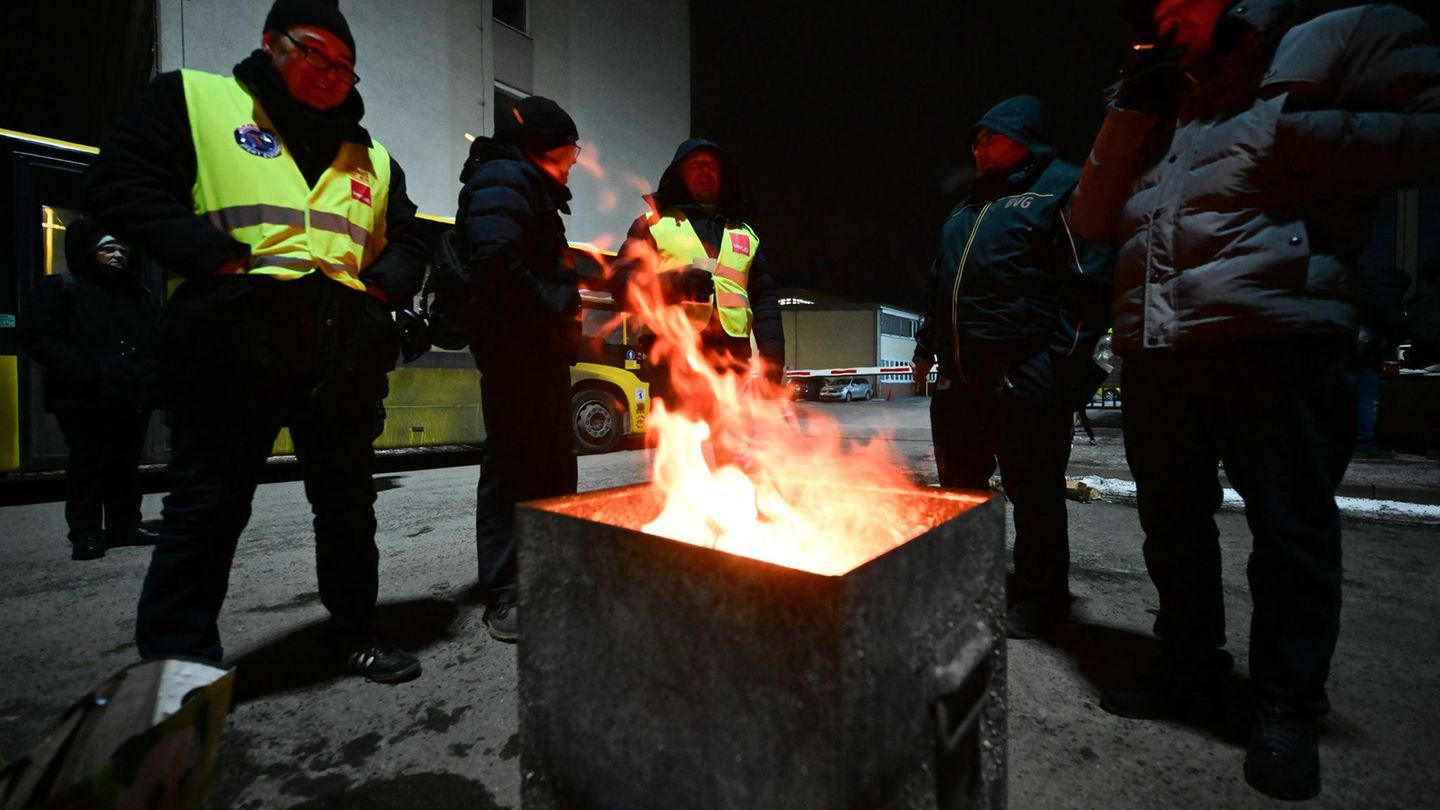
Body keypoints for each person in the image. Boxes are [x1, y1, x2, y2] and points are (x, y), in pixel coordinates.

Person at [1068, 0, 1440, 799]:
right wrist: (1130, 109)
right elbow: (1093, 219)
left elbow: (1428, 130)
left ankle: (1287, 704)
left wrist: (1290, 131)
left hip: (1278, 333)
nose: (1165, 12)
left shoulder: (1331, 40)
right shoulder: (1157, 101)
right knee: (1172, 526)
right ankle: (1188, 667)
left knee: (1289, 533)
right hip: (1160, 346)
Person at [85, 0, 427, 682]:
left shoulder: (374, 156)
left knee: (347, 510)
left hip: (340, 353)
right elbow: (119, 183)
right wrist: (218, 258)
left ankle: (355, 632)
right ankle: (179, 669)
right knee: (206, 509)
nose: (330, 74)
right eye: (314, 53)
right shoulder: (195, 100)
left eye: (344, 64)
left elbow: (412, 237)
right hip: (232, 343)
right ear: (271, 42)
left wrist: (382, 291)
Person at [911, 96, 1114, 640]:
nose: (978, 147)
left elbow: (1088, 286)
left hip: (1024, 375)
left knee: (1035, 493)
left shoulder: (1062, 191)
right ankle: (969, 581)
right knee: (960, 490)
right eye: (975, 139)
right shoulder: (966, 209)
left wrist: (1057, 368)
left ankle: (1041, 599)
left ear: (1027, 138)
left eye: (991, 136)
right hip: (960, 381)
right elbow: (940, 285)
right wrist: (927, 347)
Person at [455, 96, 583, 643]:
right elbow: (496, 264)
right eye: (571, 149)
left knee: (551, 466)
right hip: (515, 352)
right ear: (547, 145)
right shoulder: (505, 178)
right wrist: (555, 312)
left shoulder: (528, 187)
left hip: (541, 351)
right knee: (512, 466)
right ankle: (506, 592)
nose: (576, 160)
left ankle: (549, 575)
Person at [611, 139, 786, 423]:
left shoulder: (745, 233)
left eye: (712, 165)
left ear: (723, 175)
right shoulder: (652, 225)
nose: (705, 170)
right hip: (672, 358)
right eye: (696, 164)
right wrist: (676, 284)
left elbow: (764, 298)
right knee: (682, 452)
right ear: (679, 173)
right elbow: (621, 284)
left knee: (734, 450)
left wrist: (773, 356)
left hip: (731, 359)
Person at [22, 218, 160, 561]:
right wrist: (88, 370)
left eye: (122, 250)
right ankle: (85, 533)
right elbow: (40, 339)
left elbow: (156, 341)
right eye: (108, 249)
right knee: (87, 465)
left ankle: (124, 524)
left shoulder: (137, 294)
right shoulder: (61, 288)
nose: (117, 255)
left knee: (126, 463)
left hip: (130, 395)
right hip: (83, 396)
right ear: (89, 252)